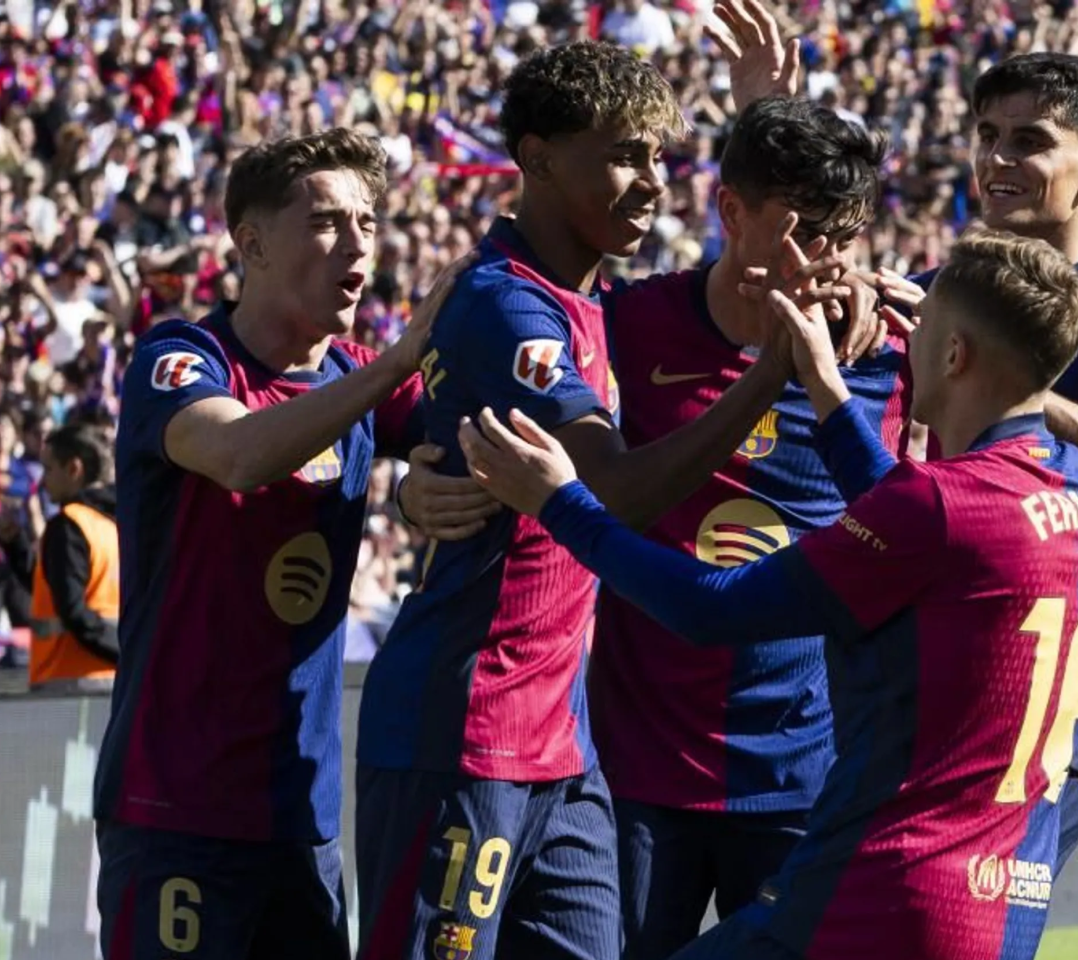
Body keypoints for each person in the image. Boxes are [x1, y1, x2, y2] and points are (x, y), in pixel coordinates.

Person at [460, 229, 1078, 960]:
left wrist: (561, 503)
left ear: (955, 356)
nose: (908, 340)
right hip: (1004, 914)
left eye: (923, 327)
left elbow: (711, 608)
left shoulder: (942, 507)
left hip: (878, 899)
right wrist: (827, 391)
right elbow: (917, 533)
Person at [355, 41, 851, 960]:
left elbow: (427, 429)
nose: (652, 183)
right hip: (468, 726)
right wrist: (767, 375)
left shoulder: (594, 305)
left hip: (565, 744)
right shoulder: (510, 305)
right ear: (537, 156)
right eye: (624, 153)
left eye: (660, 156)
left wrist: (416, 476)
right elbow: (611, 490)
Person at [91, 127, 477, 960]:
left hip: (299, 815)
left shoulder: (359, 378)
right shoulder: (182, 357)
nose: (360, 242)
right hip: (176, 808)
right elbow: (240, 455)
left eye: (370, 222)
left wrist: (415, 487)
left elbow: (477, 449)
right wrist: (392, 368)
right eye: (330, 220)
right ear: (253, 241)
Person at [896, 52, 1078, 868]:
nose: (997, 159)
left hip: (1048, 711)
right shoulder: (941, 291)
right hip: (920, 681)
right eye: (987, 135)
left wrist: (1013, 384)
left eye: (1028, 141)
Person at [28, 422, 118, 690]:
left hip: (67, 686)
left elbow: (72, 611)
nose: (43, 480)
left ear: (73, 469)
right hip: (112, 680)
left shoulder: (69, 526)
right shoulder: (114, 525)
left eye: (48, 468)